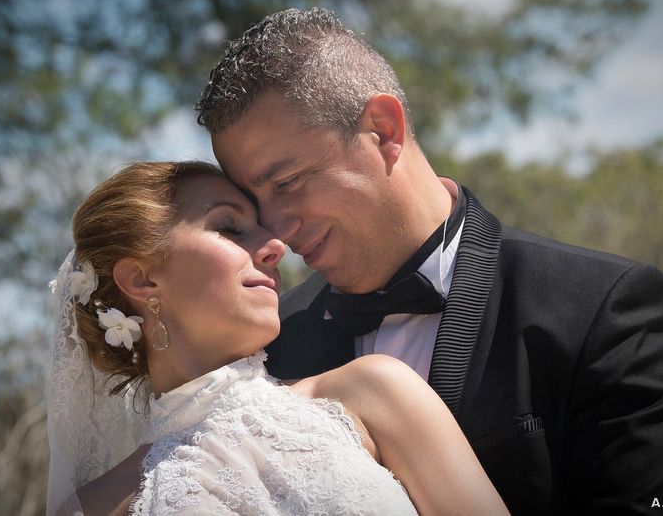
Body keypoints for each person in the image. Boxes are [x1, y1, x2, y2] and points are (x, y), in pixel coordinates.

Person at [195, 8, 663, 514]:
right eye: (257, 200)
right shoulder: (267, 344)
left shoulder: (601, 308)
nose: (277, 227)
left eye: (287, 182)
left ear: (383, 129)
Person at [46, 161, 508, 516]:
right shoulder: (92, 507)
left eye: (263, 230)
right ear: (142, 280)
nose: (276, 247)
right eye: (230, 228)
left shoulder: (374, 392)